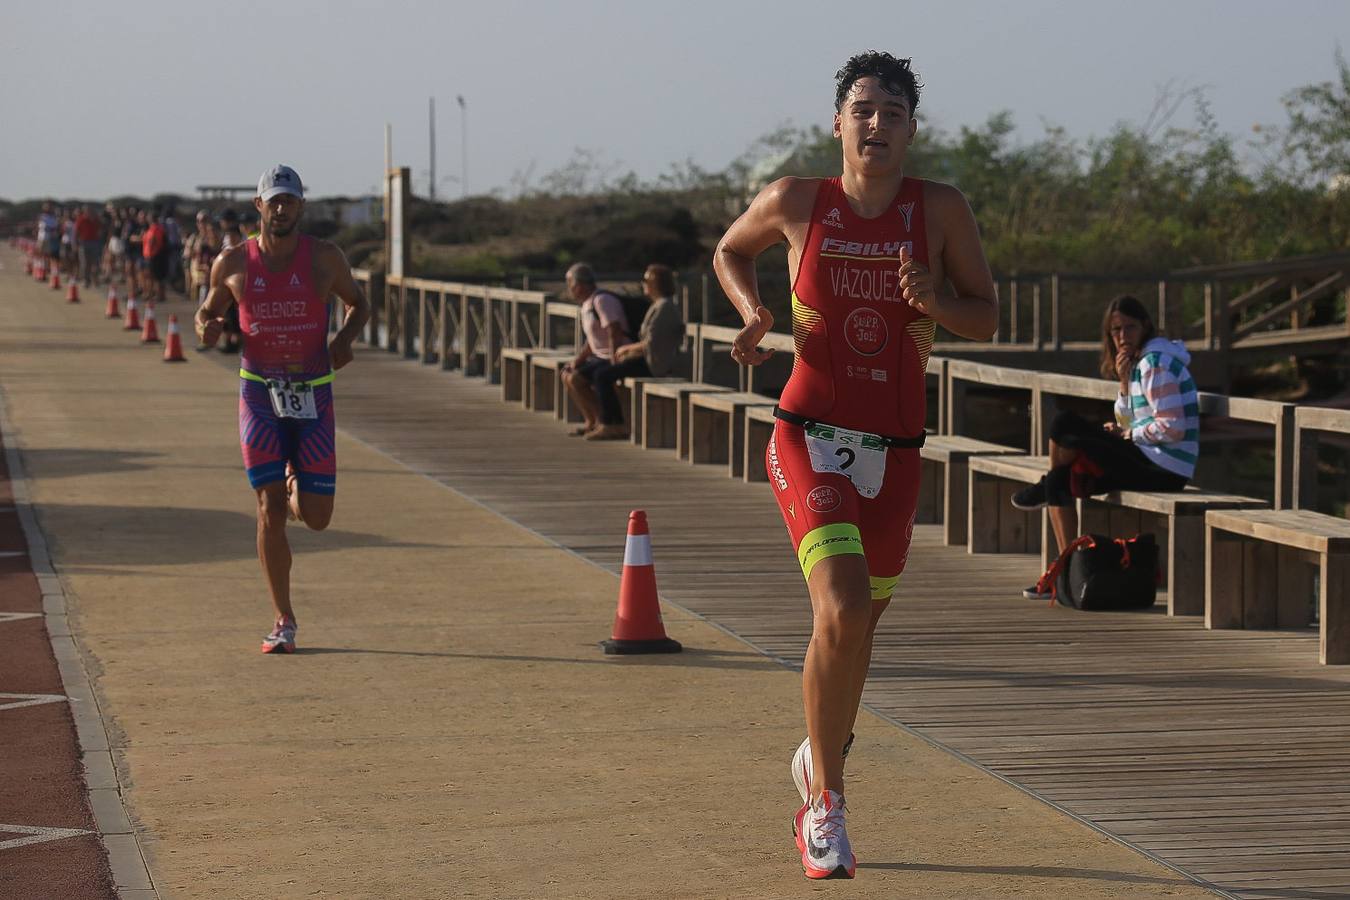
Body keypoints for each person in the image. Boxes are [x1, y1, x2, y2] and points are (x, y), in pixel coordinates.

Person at [713, 51, 997, 879]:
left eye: (894, 112)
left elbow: (983, 315)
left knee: (857, 631)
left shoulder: (938, 211)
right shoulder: (799, 201)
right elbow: (731, 251)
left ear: (913, 129)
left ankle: (817, 755)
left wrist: (935, 300)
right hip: (808, 430)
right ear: (837, 122)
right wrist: (755, 309)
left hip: (897, 451)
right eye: (863, 110)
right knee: (836, 607)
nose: (877, 125)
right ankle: (824, 806)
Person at [195, 164, 370, 654]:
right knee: (268, 510)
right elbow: (206, 313)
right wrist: (204, 327)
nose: (280, 207)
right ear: (259, 206)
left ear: (300, 206)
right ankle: (283, 619)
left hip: (312, 392)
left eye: (288, 200)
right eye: (272, 200)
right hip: (259, 395)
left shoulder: (324, 259)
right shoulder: (232, 263)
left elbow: (360, 304)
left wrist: (344, 341)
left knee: (316, 518)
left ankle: (296, 481)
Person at [1013, 295, 1198, 598]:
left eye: (1130, 327)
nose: (1123, 336)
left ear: (1146, 327)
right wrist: (1124, 383)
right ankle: (1067, 576)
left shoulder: (1156, 364)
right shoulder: (1138, 363)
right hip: (1147, 457)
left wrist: (1128, 434)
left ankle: (1043, 488)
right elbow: (1132, 418)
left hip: (1165, 468)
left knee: (1064, 424)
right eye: (1116, 330)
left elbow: (1173, 428)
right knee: (1062, 479)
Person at [588, 264, 686, 440]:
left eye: (646, 280)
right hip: (650, 360)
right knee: (600, 371)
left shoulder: (665, 308)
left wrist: (626, 349)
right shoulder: (659, 305)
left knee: (602, 375)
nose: (643, 284)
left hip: (655, 365)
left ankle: (612, 424)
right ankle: (608, 421)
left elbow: (651, 343)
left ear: (655, 284)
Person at [559, 263, 628, 437]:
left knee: (580, 378)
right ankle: (593, 421)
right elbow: (593, 340)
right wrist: (578, 360)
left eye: (570, 284)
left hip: (615, 356)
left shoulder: (602, 300)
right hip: (599, 356)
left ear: (579, 285)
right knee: (568, 375)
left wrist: (614, 361)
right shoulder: (587, 304)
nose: (569, 289)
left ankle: (607, 422)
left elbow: (614, 330)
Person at [74, 205, 104, 287]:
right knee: (85, 263)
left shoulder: (97, 220)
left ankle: (95, 280)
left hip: (95, 242)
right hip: (83, 243)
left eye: (91, 211)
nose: (89, 212)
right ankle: (86, 280)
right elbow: (76, 232)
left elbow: (101, 229)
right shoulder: (81, 220)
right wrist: (76, 244)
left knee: (95, 263)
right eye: (87, 211)